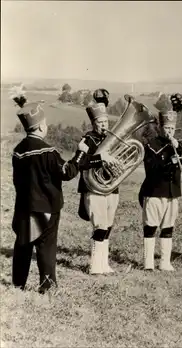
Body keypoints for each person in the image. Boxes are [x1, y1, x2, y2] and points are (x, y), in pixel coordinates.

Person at [9, 88, 112, 293]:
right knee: (46, 246)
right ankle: (47, 285)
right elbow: (68, 171)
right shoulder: (48, 152)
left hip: (24, 207)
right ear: (39, 128)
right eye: (45, 124)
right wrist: (81, 153)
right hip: (47, 207)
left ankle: (17, 284)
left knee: (23, 245)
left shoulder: (17, 151)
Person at [139, 93, 182, 271]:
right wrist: (169, 160)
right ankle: (148, 263)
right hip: (154, 191)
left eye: (172, 129)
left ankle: (165, 262)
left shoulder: (178, 145)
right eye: (167, 128)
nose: (169, 132)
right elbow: (151, 168)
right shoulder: (151, 144)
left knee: (168, 228)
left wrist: (178, 148)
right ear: (161, 128)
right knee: (150, 227)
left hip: (172, 192)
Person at [76, 90, 120, 275]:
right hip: (93, 189)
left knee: (108, 226)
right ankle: (95, 265)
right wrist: (100, 158)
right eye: (100, 123)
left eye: (106, 122)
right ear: (93, 123)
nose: (104, 125)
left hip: (112, 188)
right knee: (99, 226)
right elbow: (81, 162)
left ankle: (104, 264)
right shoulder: (87, 139)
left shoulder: (112, 138)